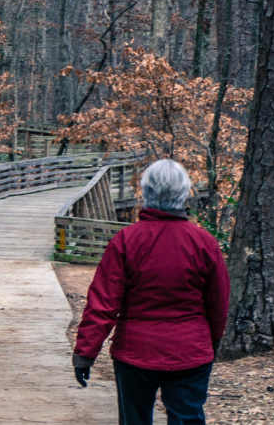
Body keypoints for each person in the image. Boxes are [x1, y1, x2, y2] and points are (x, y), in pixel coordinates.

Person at [72, 159, 230, 425]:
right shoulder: (204, 244)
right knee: (187, 418)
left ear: (146, 192)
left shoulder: (126, 241)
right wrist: (209, 343)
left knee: (135, 419)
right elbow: (218, 304)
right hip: (189, 350)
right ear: (184, 193)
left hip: (136, 352)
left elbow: (102, 304)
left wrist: (85, 353)